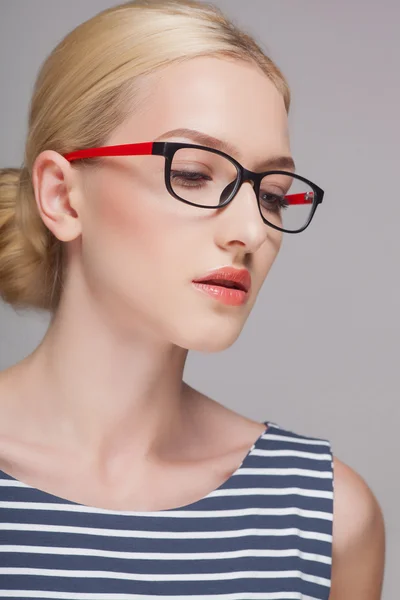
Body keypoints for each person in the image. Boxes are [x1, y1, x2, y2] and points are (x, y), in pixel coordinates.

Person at [0, 0, 385, 598]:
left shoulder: (326, 516)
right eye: (195, 175)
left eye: (274, 195)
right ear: (64, 198)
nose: (252, 231)